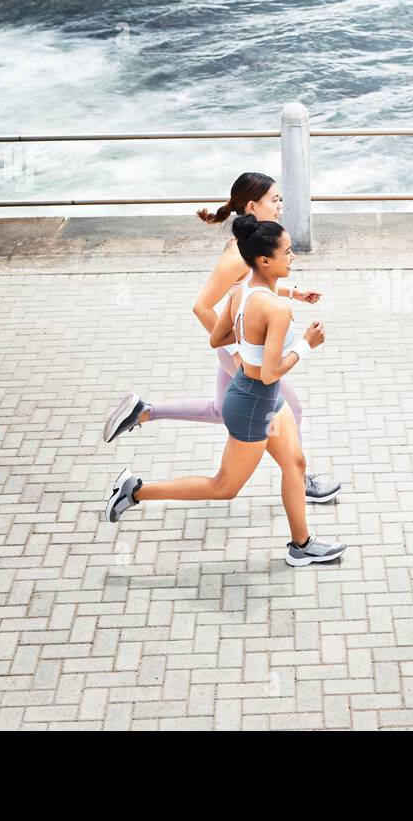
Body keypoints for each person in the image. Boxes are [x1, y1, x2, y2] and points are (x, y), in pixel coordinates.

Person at [105, 214, 346, 567]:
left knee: (294, 462)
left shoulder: (241, 291)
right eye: (288, 252)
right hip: (253, 404)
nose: (293, 258)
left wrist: (251, 338)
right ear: (265, 261)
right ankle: (135, 491)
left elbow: (217, 338)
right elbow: (269, 373)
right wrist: (307, 344)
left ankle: (301, 545)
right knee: (224, 487)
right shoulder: (277, 310)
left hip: (259, 398)